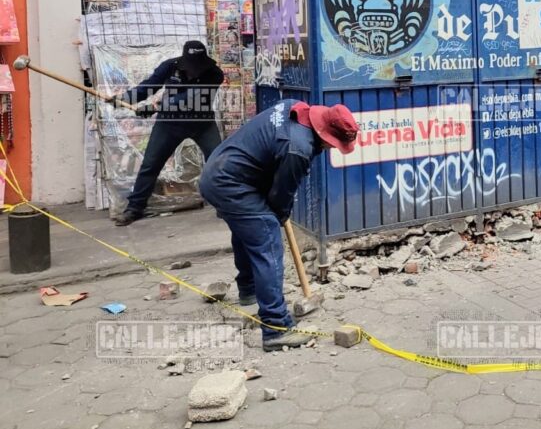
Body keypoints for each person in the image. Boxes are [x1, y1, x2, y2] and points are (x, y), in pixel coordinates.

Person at [199, 98, 359, 351]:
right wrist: (280, 214)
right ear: (325, 135)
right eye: (334, 144)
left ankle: (249, 291)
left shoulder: (293, 107)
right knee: (268, 243)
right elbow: (280, 196)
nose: (331, 148)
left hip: (221, 170)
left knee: (248, 231)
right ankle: (275, 328)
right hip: (230, 182)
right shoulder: (298, 148)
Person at [114, 41, 225, 226]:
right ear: (183, 62)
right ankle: (134, 208)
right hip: (169, 123)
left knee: (219, 162)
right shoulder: (170, 66)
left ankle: (225, 204)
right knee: (150, 164)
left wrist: (156, 106)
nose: (194, 71)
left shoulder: (214, 73)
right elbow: (149, 86)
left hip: (202, 124)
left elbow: (190, 97)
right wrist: (125, 98)